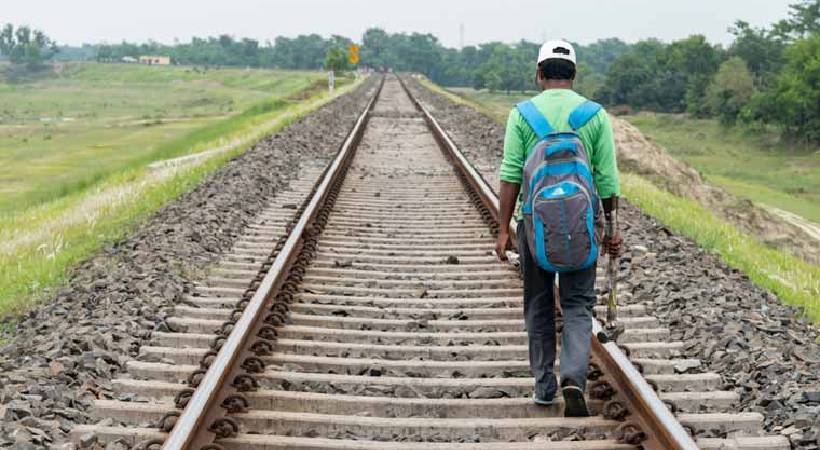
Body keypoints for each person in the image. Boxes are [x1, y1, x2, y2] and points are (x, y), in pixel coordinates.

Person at [495, 39, 622, 417]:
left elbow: (510, 174)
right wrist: (612, 228)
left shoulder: (522, 114)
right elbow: (608, 180)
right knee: (579, 303)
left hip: (534, 223)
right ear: (574, 75)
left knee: (537, 302)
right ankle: (573, 378)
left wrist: (504, 229)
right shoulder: (594, 115)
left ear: (539, 73)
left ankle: (543, 386)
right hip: (583, 225)